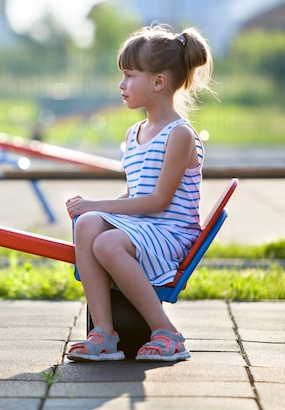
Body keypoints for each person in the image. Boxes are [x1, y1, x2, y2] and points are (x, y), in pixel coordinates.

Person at [66, 23, 215, 362]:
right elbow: (135, 193)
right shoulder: (135, 132)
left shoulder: (179, 134)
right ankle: (103, 334)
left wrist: (95, 203)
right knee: (87, 225)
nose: (121, 84)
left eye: (129, 75)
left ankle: (167, 333)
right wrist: (91, 211)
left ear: (158, 82)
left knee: (106, 240)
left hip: (169, 232)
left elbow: (158, 201)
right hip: (145, 228)